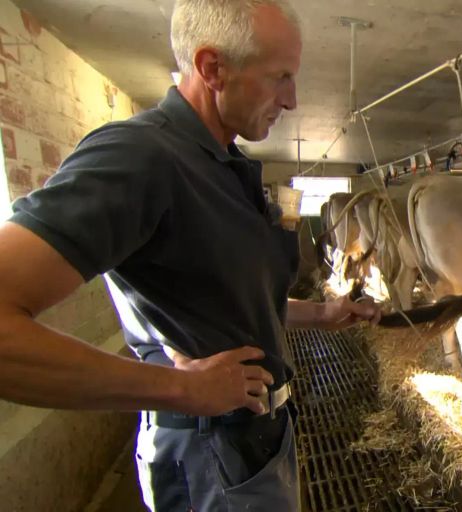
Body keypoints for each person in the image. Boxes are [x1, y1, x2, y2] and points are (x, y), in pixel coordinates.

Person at [0, 1, 379, 510]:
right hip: (211, 458)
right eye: (280, 77)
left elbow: (228, 305)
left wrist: (323, 313)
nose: (291, 100)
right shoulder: (140, 157)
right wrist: (177, 390)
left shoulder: (227, 166)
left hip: (256, 440)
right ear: (212, 68)